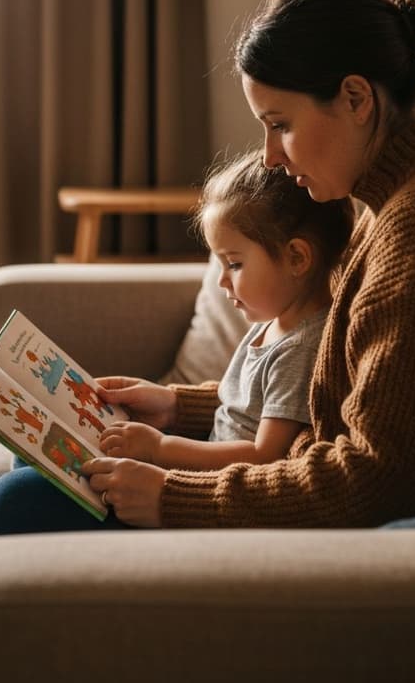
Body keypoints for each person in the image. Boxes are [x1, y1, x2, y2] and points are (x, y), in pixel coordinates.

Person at [0, 0, 415, 533]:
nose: (269, 157)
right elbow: (317, 400)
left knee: (17, 501)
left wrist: (171, 496)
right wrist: (177, 408)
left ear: (356, 97)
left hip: (325, 539)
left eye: (279, 124)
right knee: (31, 458)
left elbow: (372, 483)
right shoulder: (404, 192)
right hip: (294, 484)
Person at [98, 149, 353, 471]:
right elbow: (240, 406)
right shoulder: (273, 323)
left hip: (207, 491)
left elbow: (266, 455)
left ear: (297, 258)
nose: (222, 281)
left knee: (24, 490)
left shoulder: (301, 349)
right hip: (197, 466)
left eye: (234, 263)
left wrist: (159, 448)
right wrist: (170, 404)